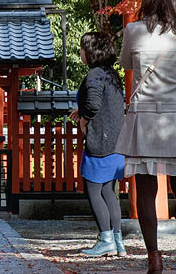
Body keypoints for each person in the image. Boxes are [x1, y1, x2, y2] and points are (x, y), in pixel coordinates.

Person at [115, 0, 176, 274]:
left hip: (145, 118)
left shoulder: (133, 31)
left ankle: (154, 257)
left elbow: (127, 63)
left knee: (146, 189)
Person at [69, 31, 127, 257]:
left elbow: (93, 105)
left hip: (100, 141)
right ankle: (118, 241)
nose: (80, 52)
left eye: (82, 48)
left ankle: (105, 240)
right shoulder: (111, 74)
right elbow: (103, 103)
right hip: (116, 140)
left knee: (93, 190)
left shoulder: (94, 74)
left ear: (91, 52)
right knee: (108, 191)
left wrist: (83, 121)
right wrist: (81, 109)